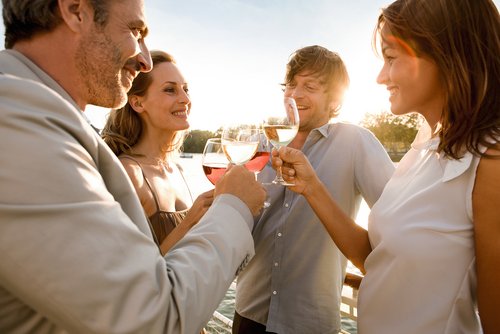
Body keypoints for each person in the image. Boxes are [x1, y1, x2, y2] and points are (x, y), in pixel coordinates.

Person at [0, 1, 266, 333]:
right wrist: (235, 207)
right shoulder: (18, 125)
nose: (143, 59)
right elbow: (150, 320)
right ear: (74, 10)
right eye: (135, 32)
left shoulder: (42, 119)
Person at [272, 0, 500, 333]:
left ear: (446, 54)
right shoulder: (424, 149)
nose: (380, 77)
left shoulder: (490, 161)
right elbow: (376, 259)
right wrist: (311, 187)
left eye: (391, 58)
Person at [233, 45, 395, 334]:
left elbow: (399, 231)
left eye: (310, 86)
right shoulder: (258, 145)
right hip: (248, 314)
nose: (295, 94)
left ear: (334, 100)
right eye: (291, 85)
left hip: (309, 324)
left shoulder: (356, 143)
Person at [102, 50, 213, 256]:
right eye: (170, 90)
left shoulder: (176, 168)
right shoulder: (129, 172)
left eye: (186, 89)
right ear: (137, 102)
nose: (185, 99)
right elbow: (129, 271)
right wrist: (190, 221)